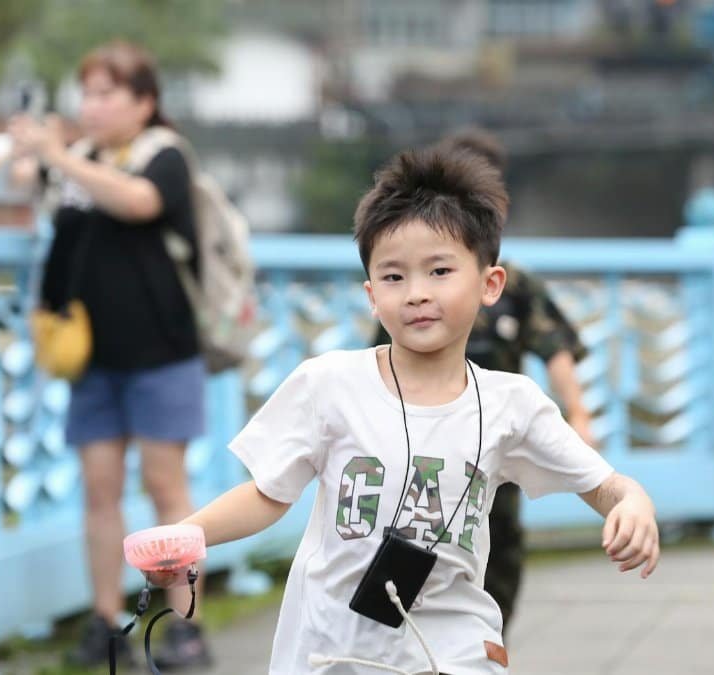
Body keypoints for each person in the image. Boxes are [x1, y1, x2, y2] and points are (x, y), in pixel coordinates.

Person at [154, 147, 659, 674]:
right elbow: (268, 494)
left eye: (440, 271)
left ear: (490, 284)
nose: (416, 294)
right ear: (372, 296)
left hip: (453, 652)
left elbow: (603, 484)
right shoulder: (328, 385)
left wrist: (634, 502)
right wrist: (187, 535)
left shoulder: (512, 405)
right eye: (394, 278)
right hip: (334, 652)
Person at [0, 40, 211, 669]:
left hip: (163, 350)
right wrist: (22, 150)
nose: (94, 106)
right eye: (89, 93)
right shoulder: (72, 157)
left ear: (145, 102)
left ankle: (182, 625)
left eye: (108, 93)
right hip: (90, 356)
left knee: (167, 489)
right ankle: (106, 622)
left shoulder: (165, 155)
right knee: (98, 490)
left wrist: (58, 158)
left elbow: (139, 202)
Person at [374, 128, 596, 634]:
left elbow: (555, 348)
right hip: (419, 439)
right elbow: (377, 357)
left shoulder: (513, 284)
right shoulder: (409, 287)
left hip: (492, 436)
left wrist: (578, 414)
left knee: (497, 550)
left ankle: (485, 646)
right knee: (411, 546)